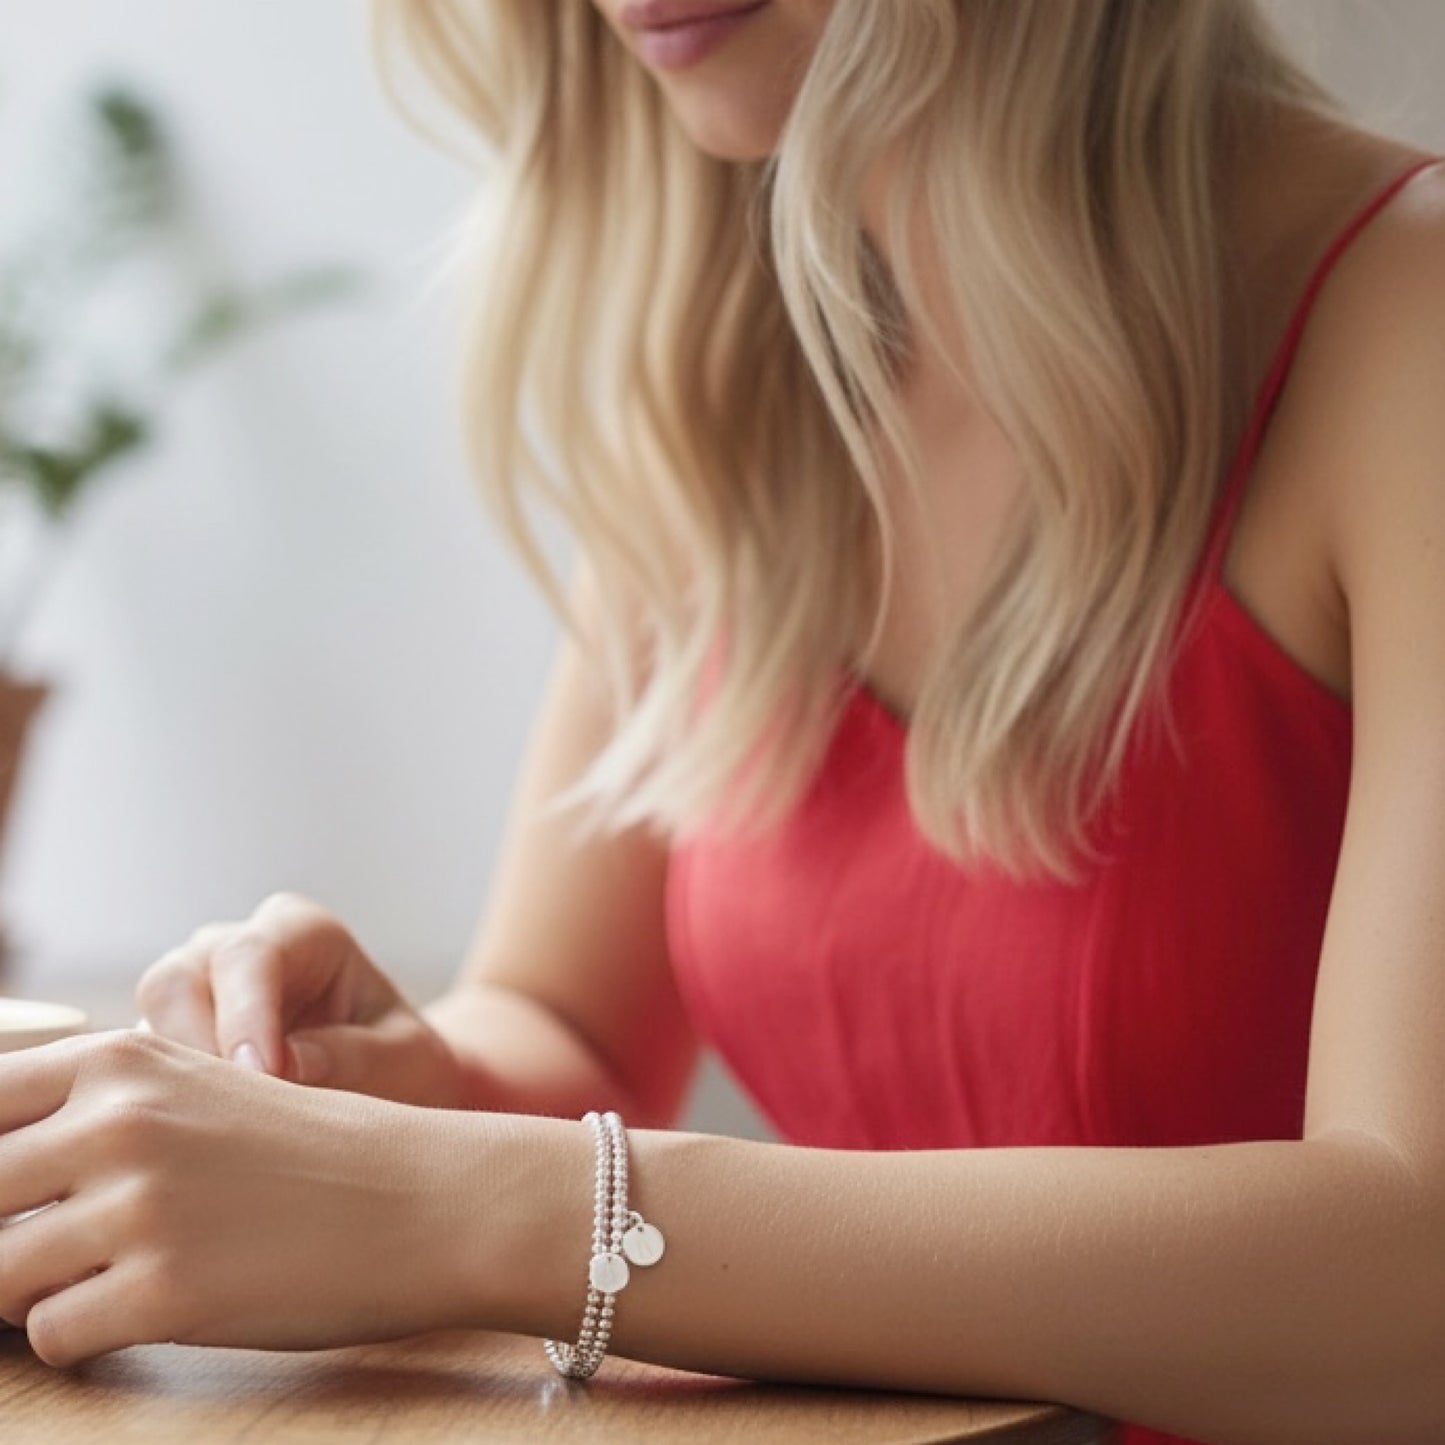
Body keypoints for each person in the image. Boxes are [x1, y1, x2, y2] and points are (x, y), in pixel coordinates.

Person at [1, 2, 1443, 1440]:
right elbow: (564, 1024)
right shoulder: (727, 365)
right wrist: (372, 1096)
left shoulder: (1406, 320)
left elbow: (1411, 1271)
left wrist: (459, 1202)